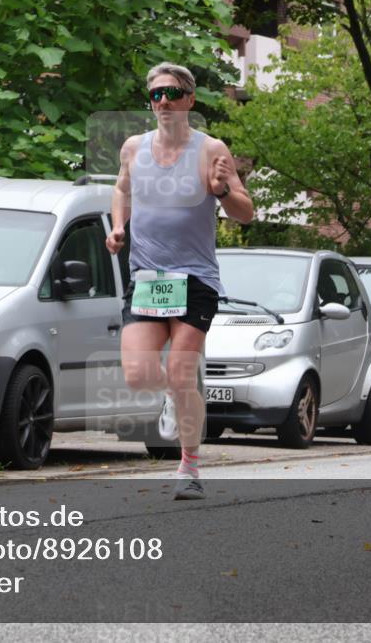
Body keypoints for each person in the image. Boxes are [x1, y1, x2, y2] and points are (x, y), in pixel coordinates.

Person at [105, 62, 254, 498]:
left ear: (189, 99)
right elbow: (122, 189)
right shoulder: (133, 148)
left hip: (196, 277)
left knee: (180, 370)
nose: (164, 101)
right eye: (156, 95)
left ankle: (189, 467)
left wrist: (224, 190)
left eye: (172, 93)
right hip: (147, 276)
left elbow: (246, 213)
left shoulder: (211, 150)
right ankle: (175, 392)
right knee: (136, 374)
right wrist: (119, 227)